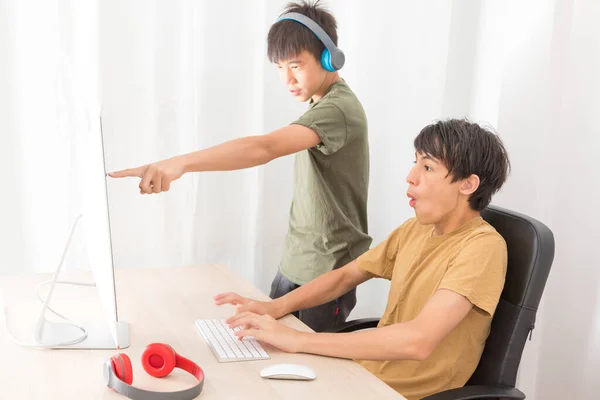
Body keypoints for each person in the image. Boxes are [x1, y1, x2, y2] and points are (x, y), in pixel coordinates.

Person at [109, 0, 371, 332]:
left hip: (327, 271)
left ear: (329, 57)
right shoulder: (320, 104)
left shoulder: (339, 110)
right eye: (279, 67)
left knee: (308, 370)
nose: (287, 78)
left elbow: (264, 148)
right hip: (298, 262)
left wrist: (180, 164)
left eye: (295, 65)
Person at [215, 119, 511, 400]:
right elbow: (346, 276)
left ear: (467, 185)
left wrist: (298, 340)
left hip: (401, 393)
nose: (411, 176)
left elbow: (418, 341)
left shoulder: (482, 248)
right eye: (415, 163)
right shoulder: (415, 230)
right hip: (365, 373)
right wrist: (274, 307)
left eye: (428, 166)